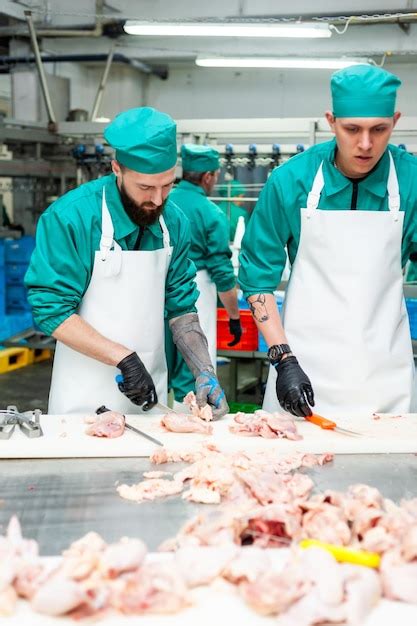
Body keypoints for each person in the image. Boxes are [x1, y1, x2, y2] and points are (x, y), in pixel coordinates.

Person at [25, 108, 228, 418]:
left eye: (167, 185)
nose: (158, 200)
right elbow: (51, 312)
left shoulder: (173, 222)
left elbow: (182, 309)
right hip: (83, 401)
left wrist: (205, 371)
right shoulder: (72, 218)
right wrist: (124, 358)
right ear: (117, 169)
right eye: (146, 188)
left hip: (150, 399)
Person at [239, 64, 417, 418]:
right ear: (331, 120)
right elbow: (257, 277)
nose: (365, 144)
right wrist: (283, 360)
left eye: (379, 130)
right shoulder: (292, 181)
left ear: (395, 121)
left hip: (384, 378)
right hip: (302, 372)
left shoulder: (411, 181)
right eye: (352, 129)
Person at [166, 144, 241, 405]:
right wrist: (234, 317)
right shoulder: (211, 213)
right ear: (208, 177)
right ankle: (191, 427)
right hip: (195, 295)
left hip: (156, 293)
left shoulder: (162, 202)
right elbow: (223, 274)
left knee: (156, 368)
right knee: (194, 371)